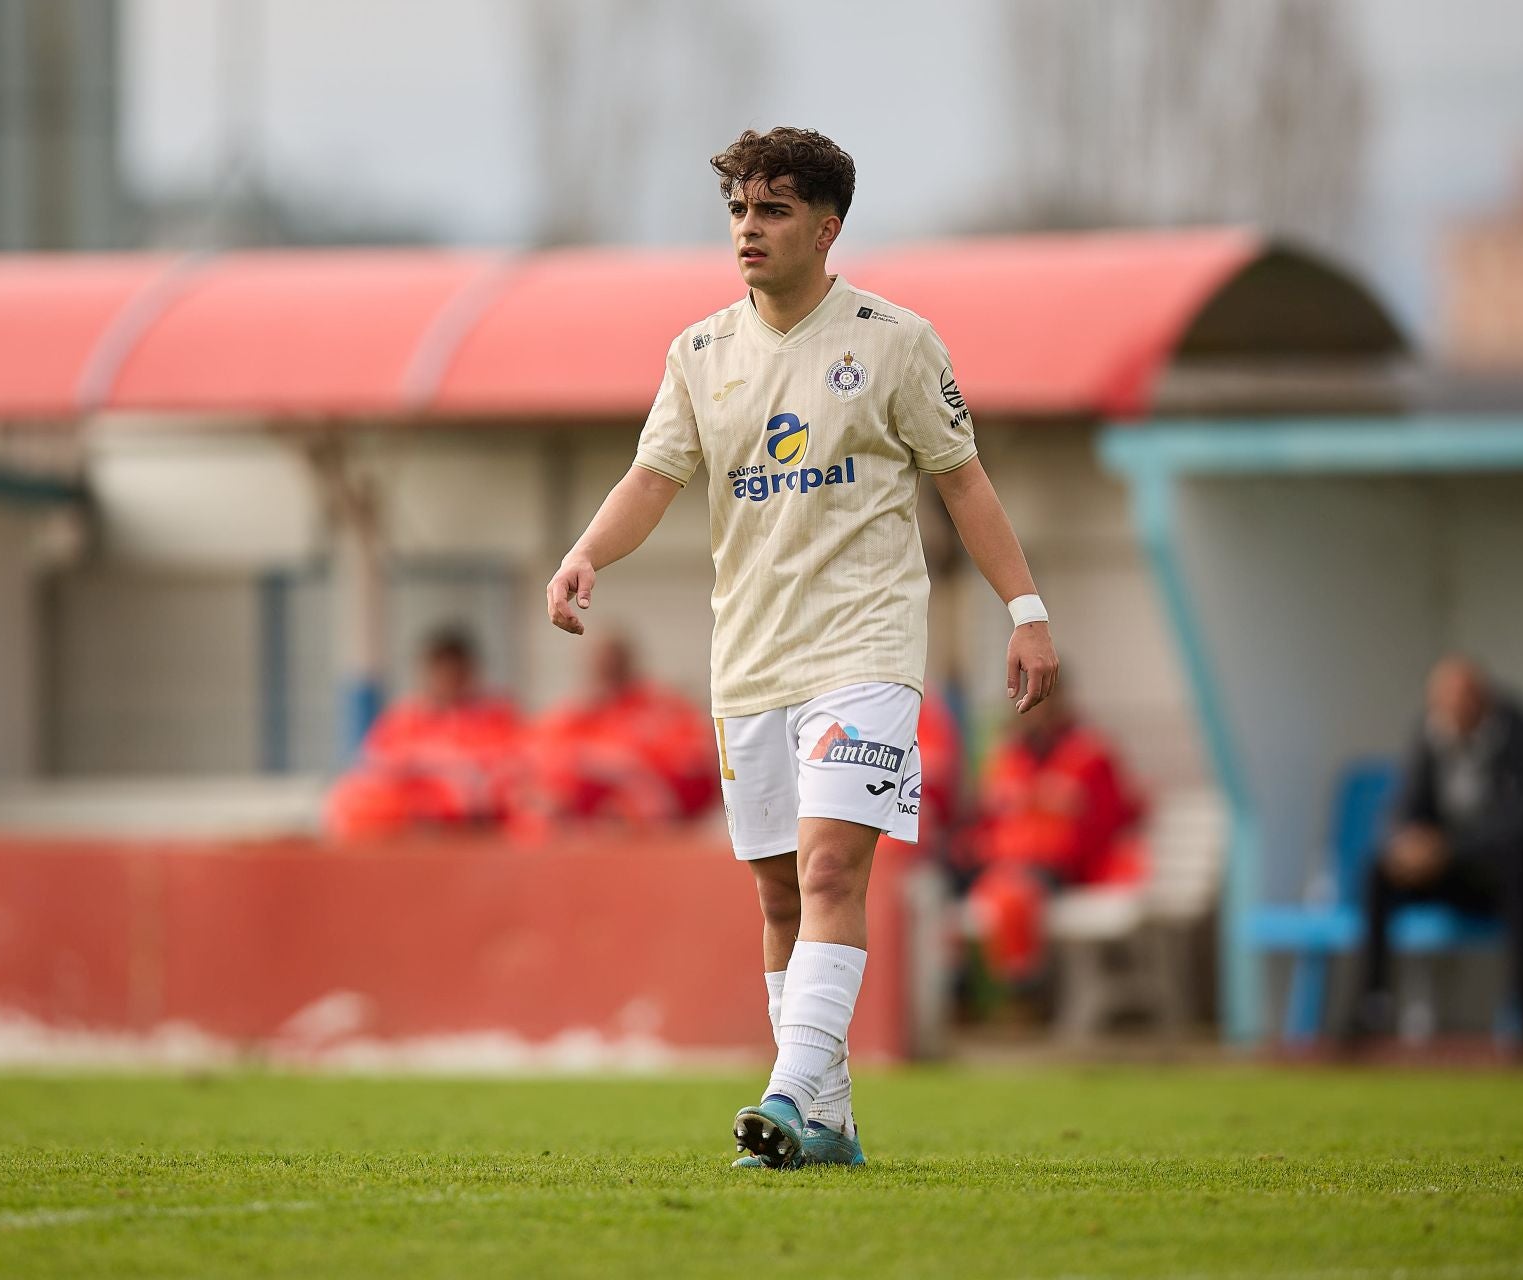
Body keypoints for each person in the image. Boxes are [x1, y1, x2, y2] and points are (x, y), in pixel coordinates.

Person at [545, 127, 1058, 1168]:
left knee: (831, 868)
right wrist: (588, 552)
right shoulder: (698, 354)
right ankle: (828, 1121)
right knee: (781, 894)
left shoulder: (896, 341)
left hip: (864, 649)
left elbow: (963, 477)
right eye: (739, 209)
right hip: (750, 658)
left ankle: (783, 1093)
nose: (747, 227)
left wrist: (1026, 607)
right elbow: (654, 477)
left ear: (826, 228)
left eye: (771, 210)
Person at [1353, 656, 1523, 1049]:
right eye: (1443, 700)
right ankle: (1373, 1003)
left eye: (1461, 697)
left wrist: (1448, 848)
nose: (1451, 708)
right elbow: (1405, 804)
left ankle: (1519, 1008)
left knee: (1521, 869)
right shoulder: (1428, 735)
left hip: (1514, 878)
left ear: (1483, 698)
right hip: (1452, 875)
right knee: (1379, 871)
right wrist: (1406, 842)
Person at [959, 694, 1145, 985]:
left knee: (1011, 894)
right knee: (988, 891)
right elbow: (985, 819)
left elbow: (1117, 819)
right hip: (1004, 866)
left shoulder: (1090, 754)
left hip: (1065, 871)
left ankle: (1022, 987)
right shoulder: (1008, 756)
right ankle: (1000, 984)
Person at [321, 629, 523, 840]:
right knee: (348, 799)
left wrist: (470, 778)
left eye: (457, 674)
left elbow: (516, 764)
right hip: (413, 819)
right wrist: (436, 767)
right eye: (443, 673)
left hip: (479, 820)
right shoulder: (404, 719)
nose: (449, 681)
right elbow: (374, 767)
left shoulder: (497, 716)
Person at [518, 634, 719, 831]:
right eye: (599, 663)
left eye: (611, 661)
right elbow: (537, 772)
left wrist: (639, 779)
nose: (606, 668)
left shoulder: (665, 709)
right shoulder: (569, 716)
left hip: (659, 828)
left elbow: (697, 766)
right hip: (582, 831)